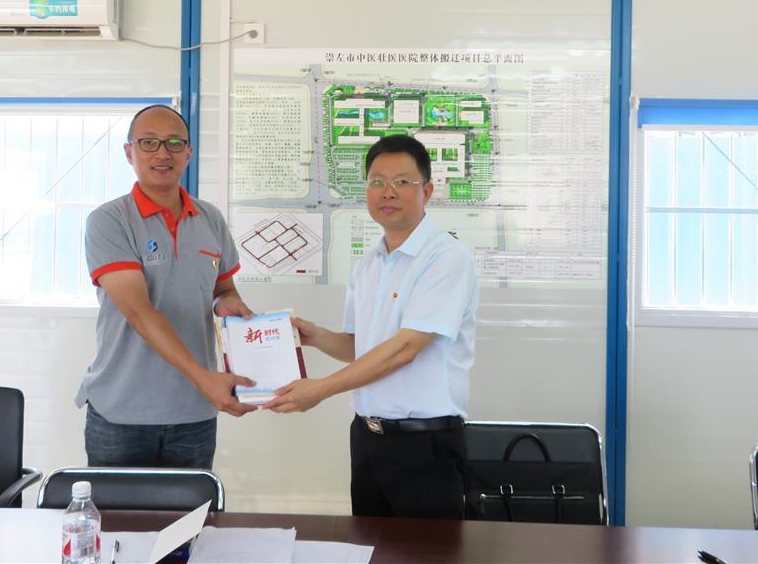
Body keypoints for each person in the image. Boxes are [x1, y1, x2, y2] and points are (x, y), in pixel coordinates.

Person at [266, 134, 477, 519]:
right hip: (367, 439)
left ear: (427, 191)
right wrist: (316, 336)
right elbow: (360, 347)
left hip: (425, 445)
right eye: (377, 181)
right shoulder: (368, 265)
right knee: (369, 545)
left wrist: (321, 389)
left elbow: (406, 349)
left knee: (427, 550)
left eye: (402, 181)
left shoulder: (446, 258)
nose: (388, 191)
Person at [77, 104, 256, 469]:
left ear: (188, 152)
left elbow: (224, 290)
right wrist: (204, 379)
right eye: (149, 142)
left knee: (192, 507)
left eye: (175, 143)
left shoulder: (210, 218)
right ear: (129, 152)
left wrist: (228, 305)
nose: (162, 153)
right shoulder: (109, 220)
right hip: (122, 410)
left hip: (194, 413)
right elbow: (138, 312)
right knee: (116, 509)